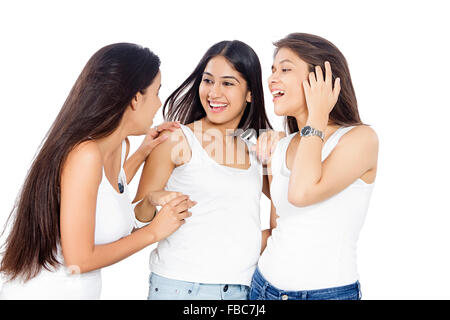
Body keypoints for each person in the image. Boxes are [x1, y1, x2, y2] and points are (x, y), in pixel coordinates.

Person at [0, 43, 195, 299]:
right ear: (136, 98)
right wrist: (154, 231)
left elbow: (106, 192)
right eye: (157, 92)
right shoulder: (85, 155)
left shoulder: (117, 147)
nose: (160, 103)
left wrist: (143, 152)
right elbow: (78, 259)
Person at [133, 40, 272, 300]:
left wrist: (251, 243)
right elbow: (136, 220)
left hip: (242, 289)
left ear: (250, 93)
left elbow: (290, 207)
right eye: (208, 81)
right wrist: (152, 199)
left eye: (228, 83)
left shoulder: (256, 147)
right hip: (179, 287)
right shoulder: (177, 139)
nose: (213, 93)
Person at [251, 33, 379, 300]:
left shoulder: (360, 139)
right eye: (273, 70)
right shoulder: (283, 146)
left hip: (327, 294)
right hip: (263, 288)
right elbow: (278, 227)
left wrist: (318, 114)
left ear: (321, 80)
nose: (272, 78)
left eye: (285, 69)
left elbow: (302, 193)